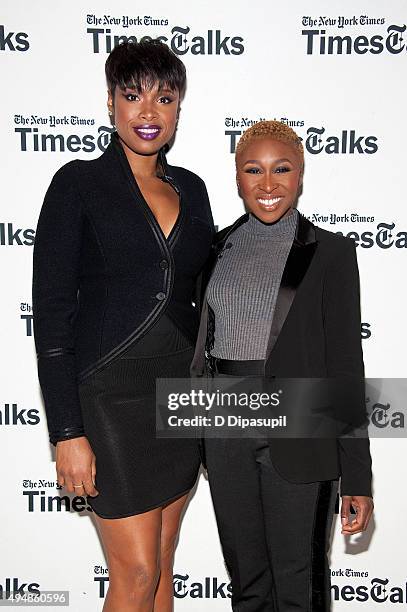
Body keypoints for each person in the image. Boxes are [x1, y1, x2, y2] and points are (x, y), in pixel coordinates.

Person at [32, 40, 214, 611]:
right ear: (109, 102)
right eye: (132, 96)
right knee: (134, 573)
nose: (148, 112)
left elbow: (205, 295)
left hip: (179, 394)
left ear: (179, 107)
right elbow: (53, 311)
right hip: (109, 399)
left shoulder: (194, 188)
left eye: (164, 97)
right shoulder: (78, 184)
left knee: (162, 564)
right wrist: (66, 432)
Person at [190, 120, 374, 611]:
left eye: (281, 169)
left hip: (301, 429)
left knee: (299, 587)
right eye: (253, 169)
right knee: (248, 584)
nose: (267, 184)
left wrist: (358, 477)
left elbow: (345, 367)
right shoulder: (215, 247)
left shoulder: (331, 253)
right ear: (237, 175)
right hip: (225, 427)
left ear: (300, 175)